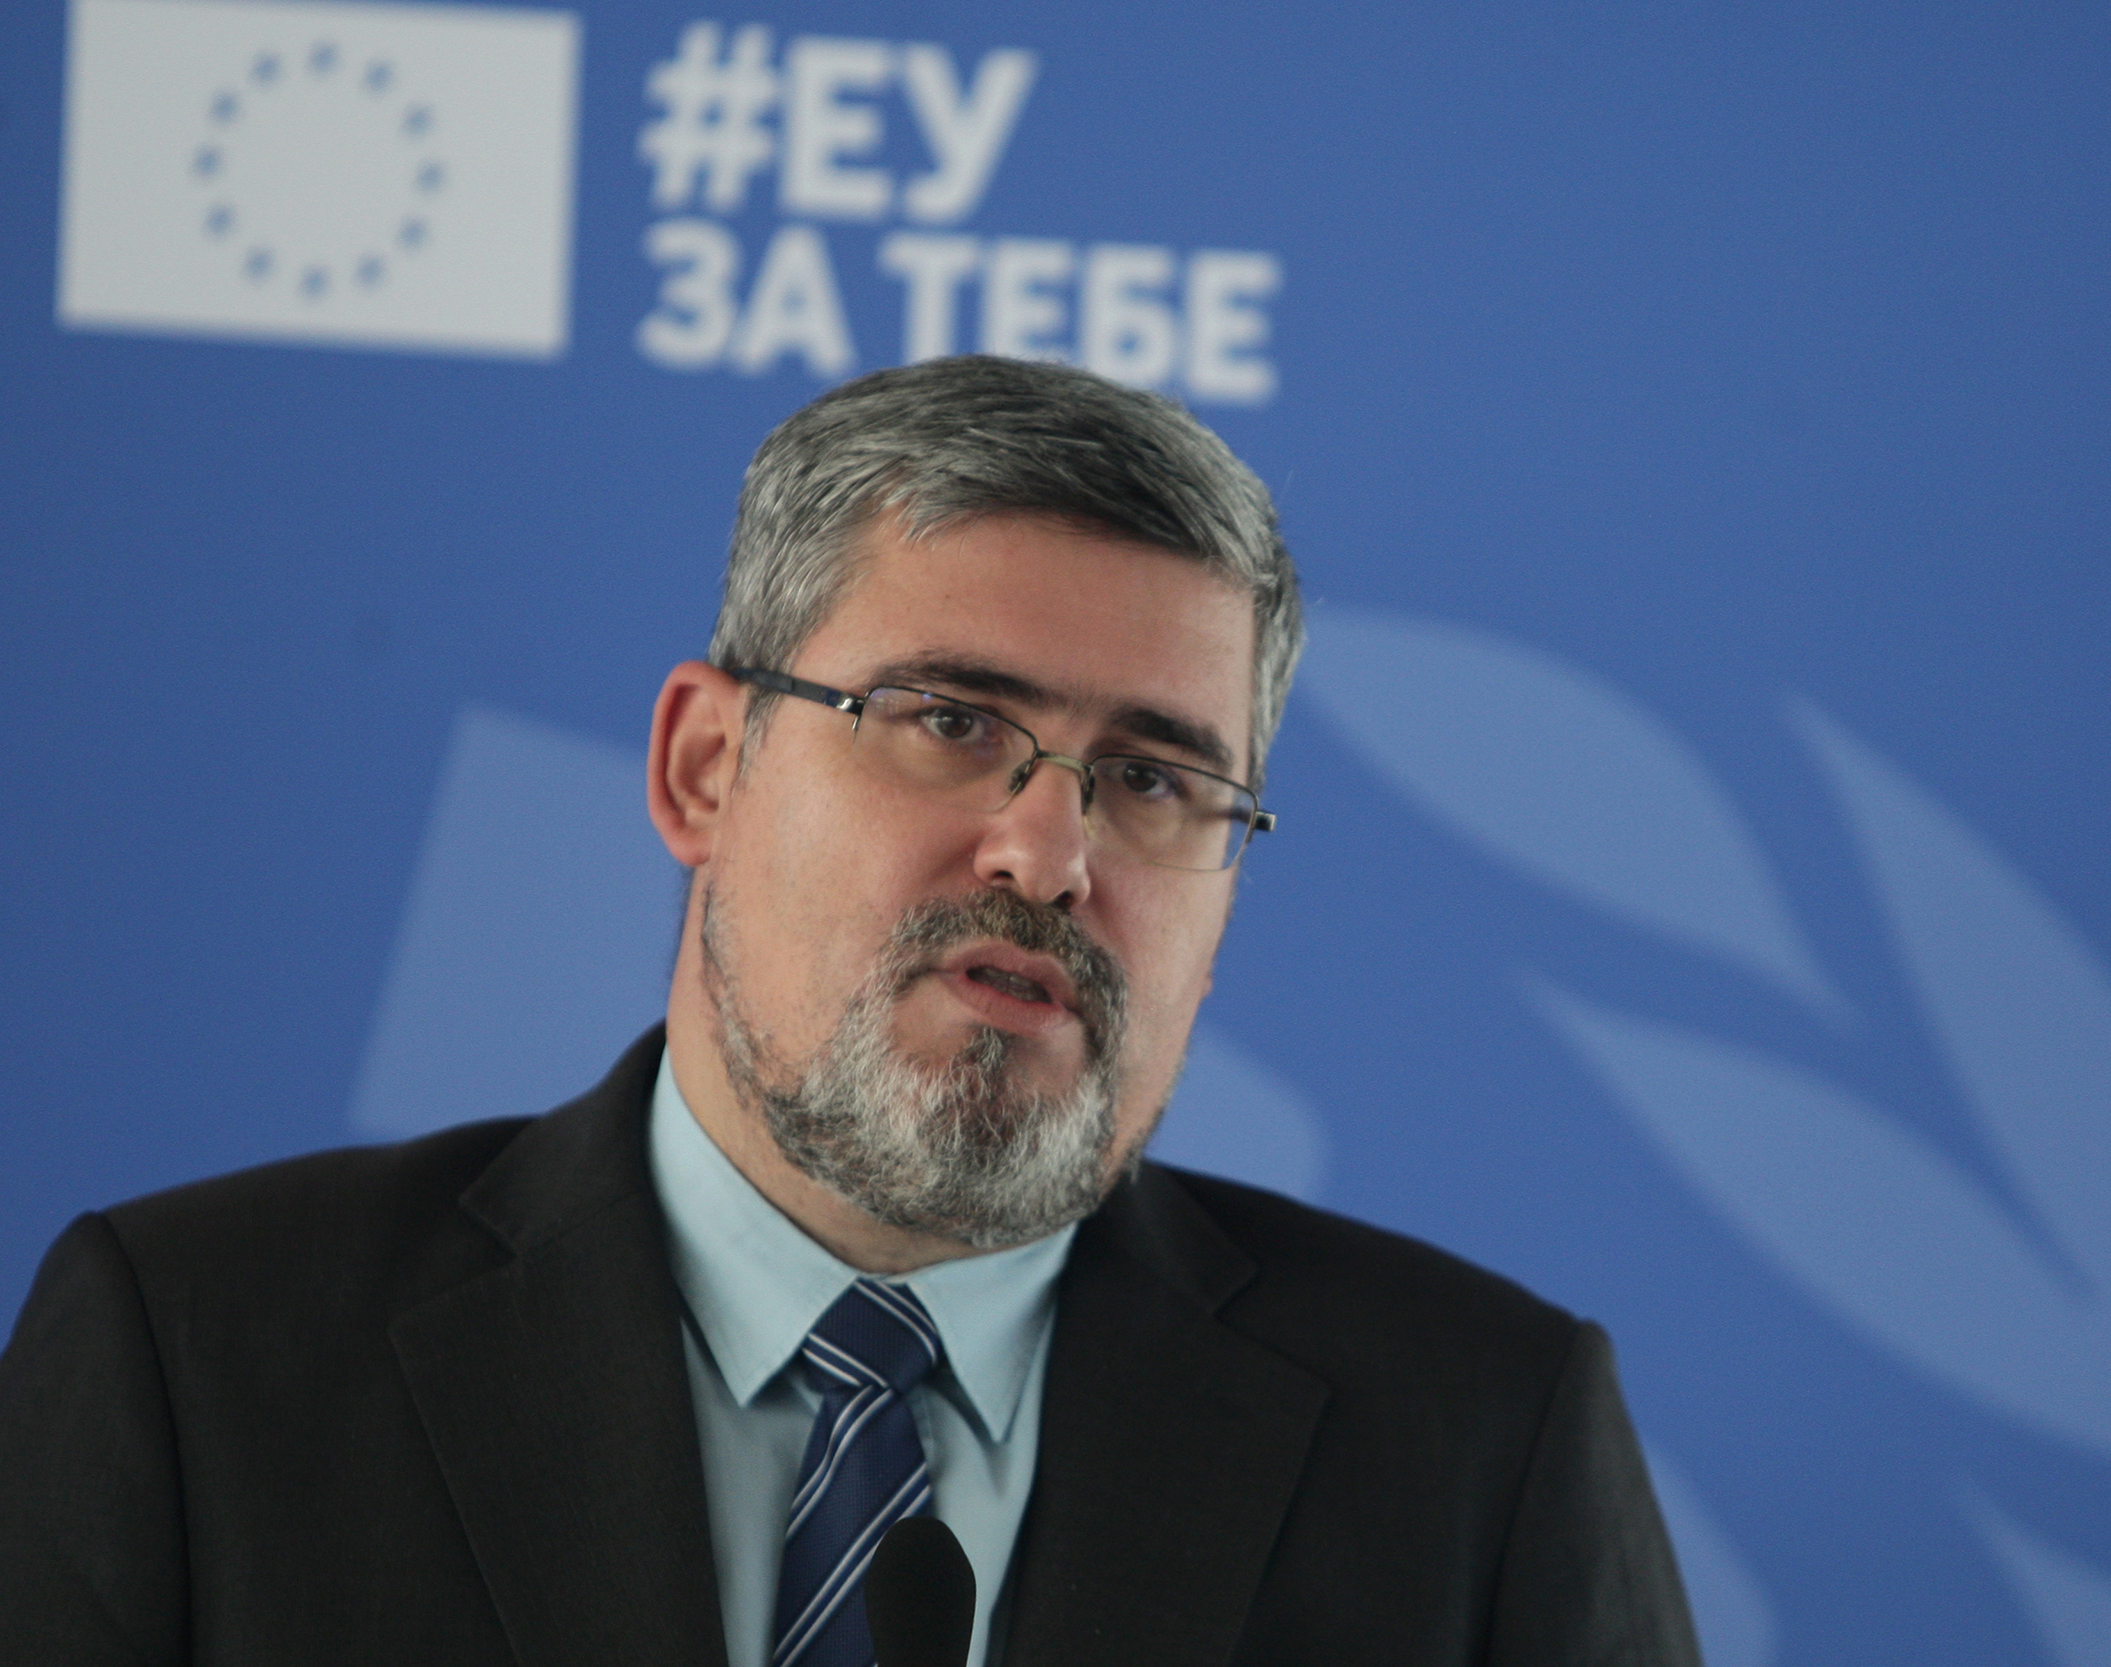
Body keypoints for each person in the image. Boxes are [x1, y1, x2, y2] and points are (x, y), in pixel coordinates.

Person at [0, 356, 1702, 1666]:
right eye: (952, 721)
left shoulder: (1481, 1439)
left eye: (1154, 779)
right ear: (705, 766)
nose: (1050, 854)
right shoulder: (198, 1359)